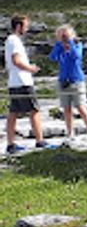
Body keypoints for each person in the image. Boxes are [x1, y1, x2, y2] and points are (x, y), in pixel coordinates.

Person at [5, 14, 51, 153]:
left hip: (14, 82)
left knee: (13, 112)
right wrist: (30, 68)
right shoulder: (14, 41)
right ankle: (40, 141)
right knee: (34, 110)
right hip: (22, 81)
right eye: (25, 26)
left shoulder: (10, 40)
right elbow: (16, 61)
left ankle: (11, 143)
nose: (27, 29)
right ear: (18, 26)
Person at [49, 24, 87, 143]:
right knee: (66, 109)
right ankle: (70, 133)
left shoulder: (78, 45)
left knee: (81, 107)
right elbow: (52, 57)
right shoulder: (59, 47)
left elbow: (76, 56)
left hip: (76, 81)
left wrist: (70, 43)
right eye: (61, 35)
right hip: (64, 81)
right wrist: (59, 45)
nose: (64, 37)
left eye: (66, 35)